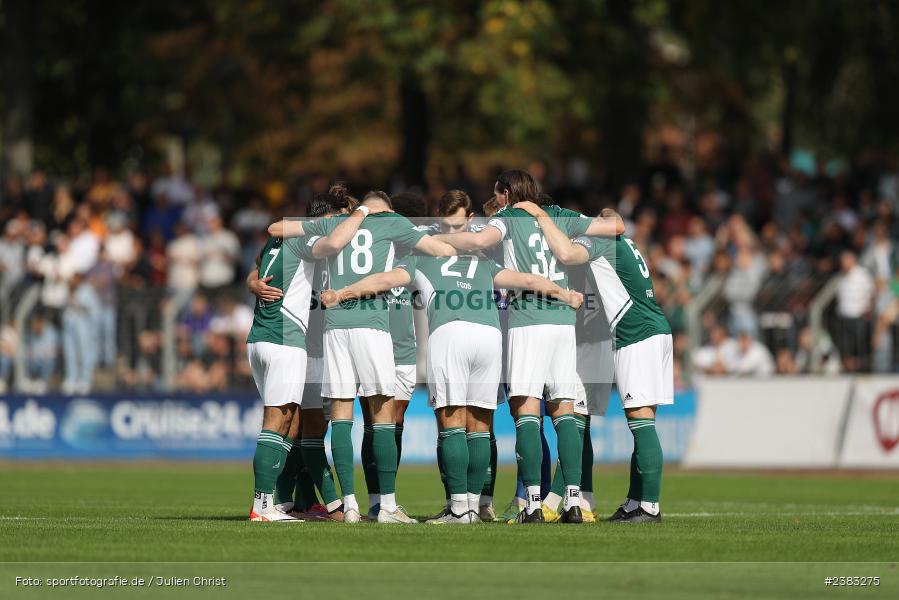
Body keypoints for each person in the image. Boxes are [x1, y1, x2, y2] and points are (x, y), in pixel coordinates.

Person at [321, 207, 583, 523]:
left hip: (450, 333)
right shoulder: (485, 261)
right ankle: (478, 504)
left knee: (451, 422)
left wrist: (344, 292)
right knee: (481, 425)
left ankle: (460, 508)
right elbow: (527, 278)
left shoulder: (422, 257)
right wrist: (564, 294)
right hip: (489, 337)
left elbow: (385, 279)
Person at [435, 170, 623, 523]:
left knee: (527, 411)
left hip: (528, 320)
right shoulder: (562, 216)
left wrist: (438, 239)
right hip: (565, 323)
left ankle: (533, 503)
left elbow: (478, 242)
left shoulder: (507, 217)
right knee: (565, 412)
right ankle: (572, 501)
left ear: (505, 193)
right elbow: (615, 228)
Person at [284, 189, 456, 524]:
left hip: (334, 329)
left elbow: (287, 236)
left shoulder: (338, 225)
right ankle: (387, 506)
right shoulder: (391, 223)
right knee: (382, 417)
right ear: (387, 209)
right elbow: (441, 248)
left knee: (343, 419)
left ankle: (349, 505)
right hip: (372, 326)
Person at [513, 201, 673, 523]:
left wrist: (543, 217)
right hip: (655, 329)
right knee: (641, 421)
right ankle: (634, 502)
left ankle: (650, 507)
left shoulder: (602, 240)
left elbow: (568, 254)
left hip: (636, 335)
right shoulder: (625, 242)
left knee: (641, 422)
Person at [246, 195, 374, 522]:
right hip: (285, 339)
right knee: (278, 422)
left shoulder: (276, 241)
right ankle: (262, 506)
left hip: (261, 337)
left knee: (290, 422)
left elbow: (256, 271)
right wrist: (362, 211)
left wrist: (253, 283)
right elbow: (332, 242)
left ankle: (277, 502)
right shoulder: (304, 240)